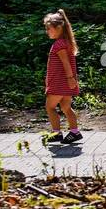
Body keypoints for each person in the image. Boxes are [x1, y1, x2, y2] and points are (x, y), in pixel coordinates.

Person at [42, 8, 82, 144]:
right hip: (64, 83)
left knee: (50, 107)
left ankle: (56, 133)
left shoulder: (59, 44)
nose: (47, 32)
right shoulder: (66, 42)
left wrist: (71, 79)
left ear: (59, 27)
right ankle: (74, 132)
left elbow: (66, 63)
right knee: (66, 108)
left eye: (49, 29)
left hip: (60, 83)